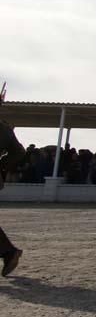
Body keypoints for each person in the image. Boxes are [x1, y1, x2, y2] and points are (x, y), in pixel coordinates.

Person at [0, 118, 26, 277]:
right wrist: (2, 165)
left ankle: (9, 251)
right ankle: (8, 252)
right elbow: (19, 152)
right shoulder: (4, 128)